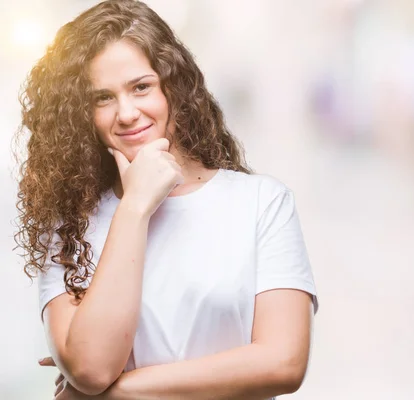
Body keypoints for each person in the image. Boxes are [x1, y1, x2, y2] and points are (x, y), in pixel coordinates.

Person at [13, 1, 318, 399]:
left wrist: (112, 394)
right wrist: (136, 205)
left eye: (141, 87)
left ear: (173, 86)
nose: (126, 113)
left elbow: (283, 363)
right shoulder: (70, 223)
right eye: (102, 98)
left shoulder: (262, 203)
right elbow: (91, 367)